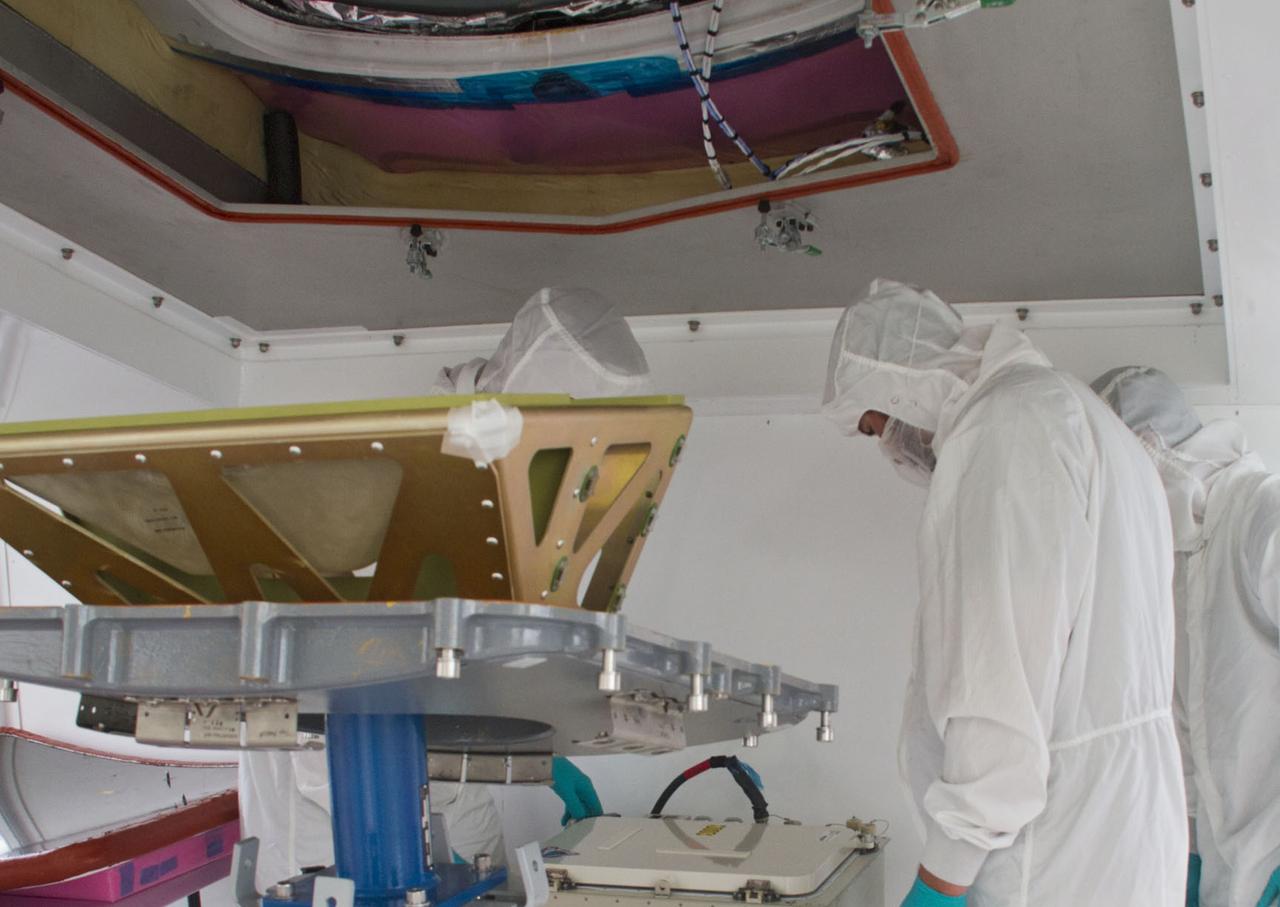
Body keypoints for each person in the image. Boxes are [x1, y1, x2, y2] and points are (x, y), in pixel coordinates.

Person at [242, 286, 645, 890]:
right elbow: (356, 673)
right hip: (333, 798)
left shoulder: (515, 491)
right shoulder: (400, 471)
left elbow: (473, 658)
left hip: (447, 789)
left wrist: (540, 754)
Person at [822, 279, 1186, 905]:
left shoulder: (1003, 429)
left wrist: (941, 881)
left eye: (876, 424)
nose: (888, 445)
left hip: (1053, 859)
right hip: (1128, 837)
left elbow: (999, 688)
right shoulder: (1082, 417)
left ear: (902, 386)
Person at [1093, 366, 1280, 907]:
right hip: (1227, 868)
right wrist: (1190, 852)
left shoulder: (1262, 515)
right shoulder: (1173, 558)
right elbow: (1191, 726)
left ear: (1147, 451)